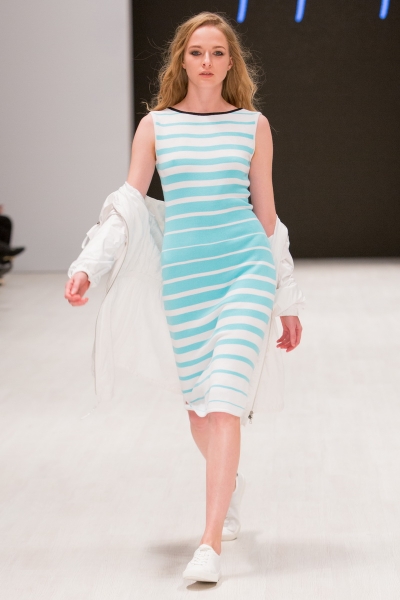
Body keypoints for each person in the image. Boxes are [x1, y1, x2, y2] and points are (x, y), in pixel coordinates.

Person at [65, 12, 304, 583]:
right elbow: (127, 206)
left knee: (223, 404)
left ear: (231, 61)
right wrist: (89, 265)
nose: (207, 61)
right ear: (182, 59)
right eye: (197, 52)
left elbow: (267, 218)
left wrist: (287, 298)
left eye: (218, 52)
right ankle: (231, 482)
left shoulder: (253, 125)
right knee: (199, 408)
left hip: (245, 270)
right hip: (185, 283)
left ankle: (209, 544)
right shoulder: (155, 126)